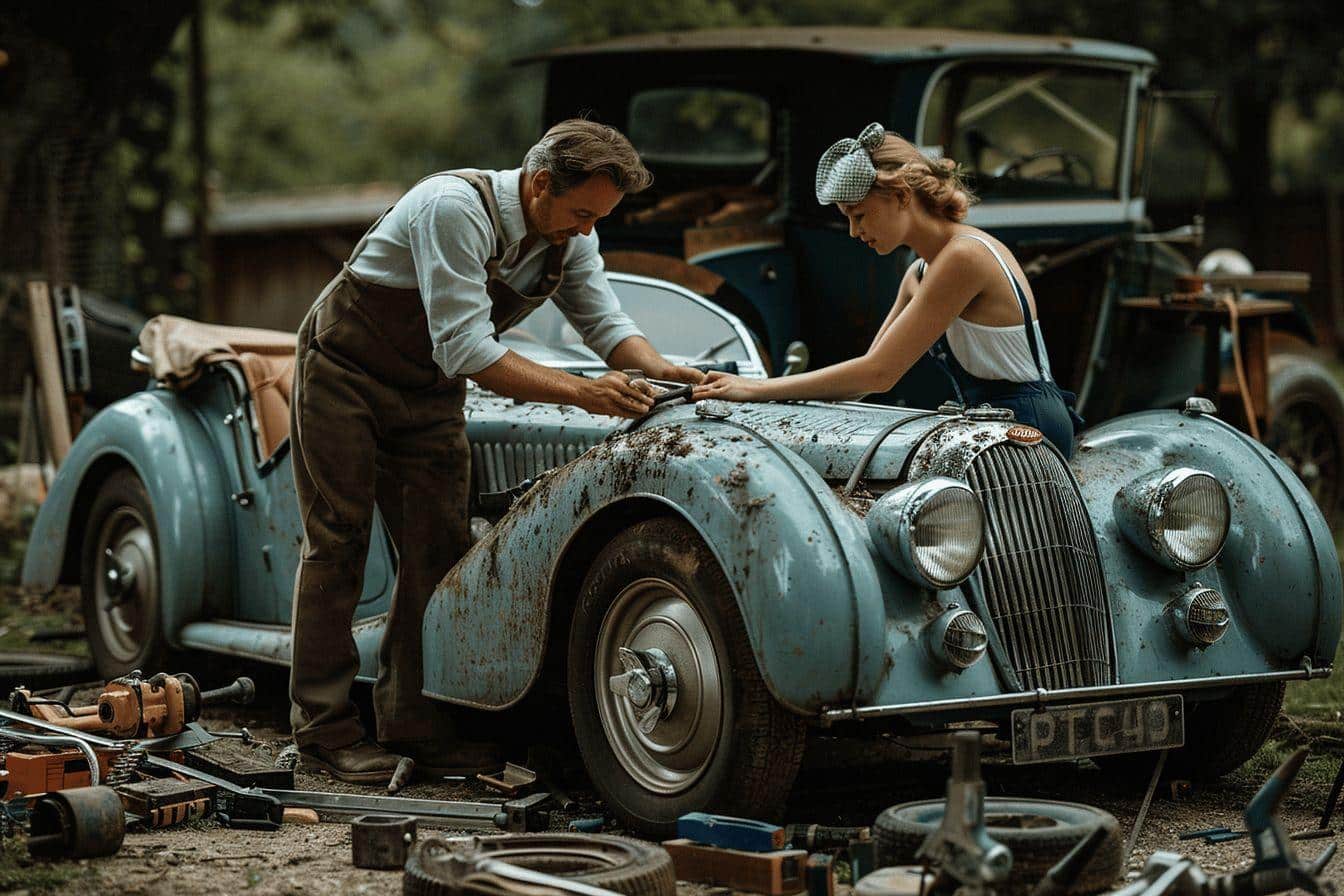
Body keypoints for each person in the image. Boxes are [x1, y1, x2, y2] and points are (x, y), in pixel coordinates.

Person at [289, 119, 705, 785]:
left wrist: (663, 372)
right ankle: (323, 732)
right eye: (581, 213)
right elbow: (469, 351)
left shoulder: (569, 238)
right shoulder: (453, 209)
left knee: (440, 549)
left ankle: (418, 727)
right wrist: (585, 395)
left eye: (599, 217)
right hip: (345, 374)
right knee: (338, 541)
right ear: (540, 185)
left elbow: (605, 323)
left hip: (427, 391)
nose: (587, 229)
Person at [692, 123, 1080, 457]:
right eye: (847, 219)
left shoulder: (965, 256)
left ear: (901, 196)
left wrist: (758, 389)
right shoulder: (919, 272)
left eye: (859, 215)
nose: (853, 232)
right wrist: (765, 398)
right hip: (987, 426)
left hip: (1028, 429)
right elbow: (864, 375)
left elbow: (879, 375)